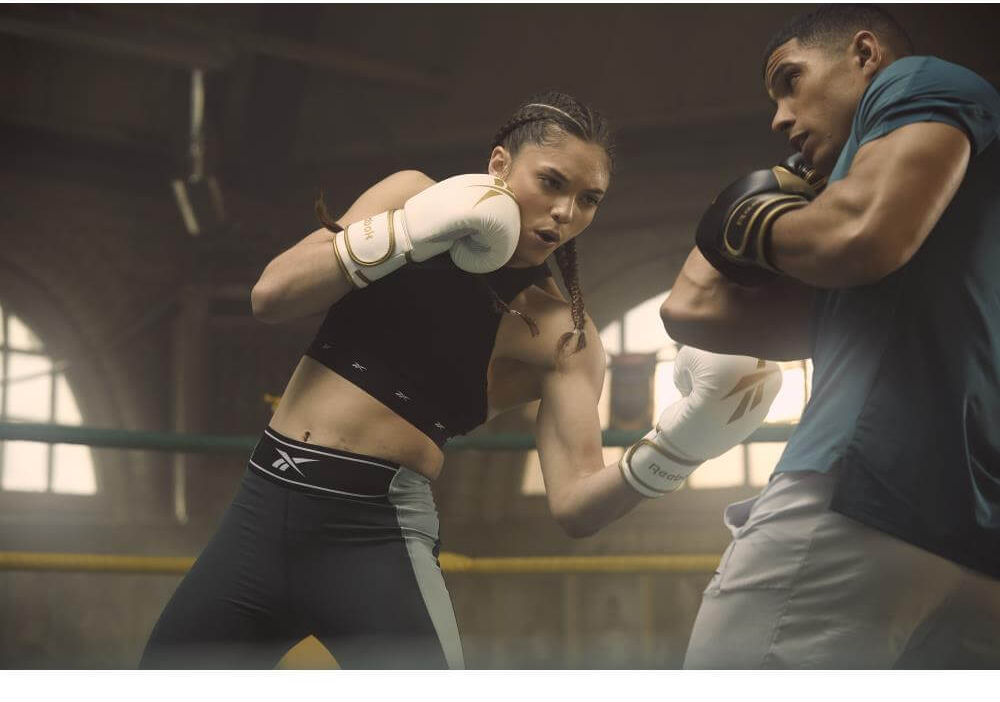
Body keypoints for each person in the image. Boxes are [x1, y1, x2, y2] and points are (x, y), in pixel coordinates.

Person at [140, 92, 780, 670]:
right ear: (500, 165)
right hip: (259, 507)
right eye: (551, 182)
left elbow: (576, 505)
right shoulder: (411, 195)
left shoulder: (562, 336)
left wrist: (679, 447)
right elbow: (270, 295)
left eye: (589, 200)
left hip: (373, 539)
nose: (564, 213)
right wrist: (404, 233)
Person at [663, 4, 1000, 669]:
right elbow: (690, 309)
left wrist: (752, 215)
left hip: (858, 494)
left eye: (789, 81)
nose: (779, 118)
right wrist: (776, 190)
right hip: (974, 539)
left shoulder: (916, 81)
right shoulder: (931, 241)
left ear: (865, 55)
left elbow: (858, 234)